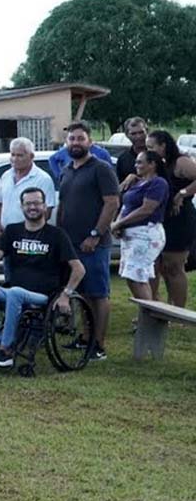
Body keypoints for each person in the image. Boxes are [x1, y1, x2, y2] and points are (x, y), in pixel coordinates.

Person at [0, 187, 84, 367]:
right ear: (22, 206)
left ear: (45, 205)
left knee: (15, 293)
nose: (32, 207)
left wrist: (66, 295)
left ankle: (7, 349)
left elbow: (79, 269)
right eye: (28, 203)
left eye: (37, 203)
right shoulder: (12, 231)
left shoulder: (56, 235)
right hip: (13, 291)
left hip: (42, 295)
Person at [56, 122, 120, 361]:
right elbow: (63, 205)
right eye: (72, 139)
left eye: (80, 138)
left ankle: (99, 345)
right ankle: (85, 337)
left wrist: (95, 234)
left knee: (98, 294)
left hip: (93, 244)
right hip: (71, 243)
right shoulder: (67, 169)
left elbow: (112, 202)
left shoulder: (101, 168)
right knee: (81, 293)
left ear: (90, 141)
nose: (76, 142)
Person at [143, 130, 195, 307]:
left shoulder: (181, 162)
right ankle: (161, 307)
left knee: (174, 266)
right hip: (162, 219)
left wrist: (183, 193)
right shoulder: (158, 164)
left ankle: (179, 310)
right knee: (161, 267)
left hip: (180, 219)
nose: (148, 150)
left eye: (152, 147)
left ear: (163, 145)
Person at [110, 150, 168, 300]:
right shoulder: (138, 182)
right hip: (131, 234)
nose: (136, 165)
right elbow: (125, 204)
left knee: (136, 277)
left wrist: (119, 223)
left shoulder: (158, 183)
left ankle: (148, 316)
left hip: (146, 233)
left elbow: (146, 209)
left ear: (152, 164)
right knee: (135, 276)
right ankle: (147, 314)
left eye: (140, 162)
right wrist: (118, 222)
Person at [0, 138, 57, 238]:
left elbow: (46, 212)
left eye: (20, 155)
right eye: (13, 155)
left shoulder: (43, 179)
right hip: (6, 234)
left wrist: (29, 231)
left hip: (30, 236)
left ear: (31, 156)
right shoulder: (6, 176)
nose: (15, 159)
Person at [48, 138, 115, 183]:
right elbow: (52, 159)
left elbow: (110, 173)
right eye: (73, 139)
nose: (77, 142)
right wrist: (60, 175)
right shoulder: (68, 151)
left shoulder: (102, 153)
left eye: (81, 139)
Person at [116, 117, 148, 183]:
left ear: (147, 131)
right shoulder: (123, 159)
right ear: (127, 135)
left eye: (141, 132)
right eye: (133, 134)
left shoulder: (157, 154)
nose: (138, 136)